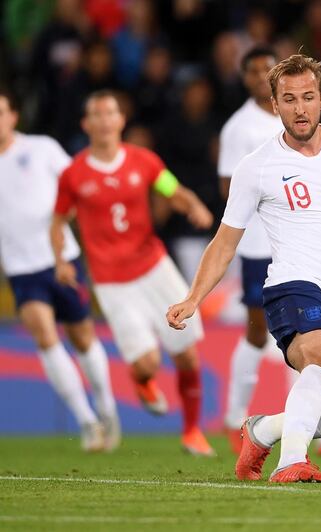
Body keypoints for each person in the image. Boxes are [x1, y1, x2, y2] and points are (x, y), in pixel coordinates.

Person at [167, 54, 321, 483]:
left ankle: (265, 429)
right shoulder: (257, 166)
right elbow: (225, 241)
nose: (300, 108)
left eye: (308, 97)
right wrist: (193, 297)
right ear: (275, 105)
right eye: (289, 99)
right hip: (291, 287)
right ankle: (292, 460)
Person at [51, 90, 216, 457]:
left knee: (187, 354)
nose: (106, 120)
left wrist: (193, 206)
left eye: (112, 113)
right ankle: (143, 380)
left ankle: (191, 431)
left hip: (154, 266)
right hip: (112, 282)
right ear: (87, 124)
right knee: (147, 363)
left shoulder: (143, 161)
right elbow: (59, 219)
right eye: (98, 114)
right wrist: (61, 259)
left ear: (120, 120)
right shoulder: (74, 174)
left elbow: (172, 189)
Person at [0, 88, 119, 452]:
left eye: (1, 112)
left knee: (83, 337)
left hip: (61, 259)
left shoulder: (41, 149)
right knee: (44, 336)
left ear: (13, 116)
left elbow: (78, 189)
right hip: (21, 268)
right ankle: (86, 421)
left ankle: (106, 408)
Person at [217, 46, 284, 454]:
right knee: (259, 333)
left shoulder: (299, 115)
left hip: (302, 241)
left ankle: (318, 425)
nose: (262, 75)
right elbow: (228, 188)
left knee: (316, 328)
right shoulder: (238, 127)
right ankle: (232, 418)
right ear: (244, 78)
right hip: (259, 243)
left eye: (268, 69)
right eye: (254, 70)